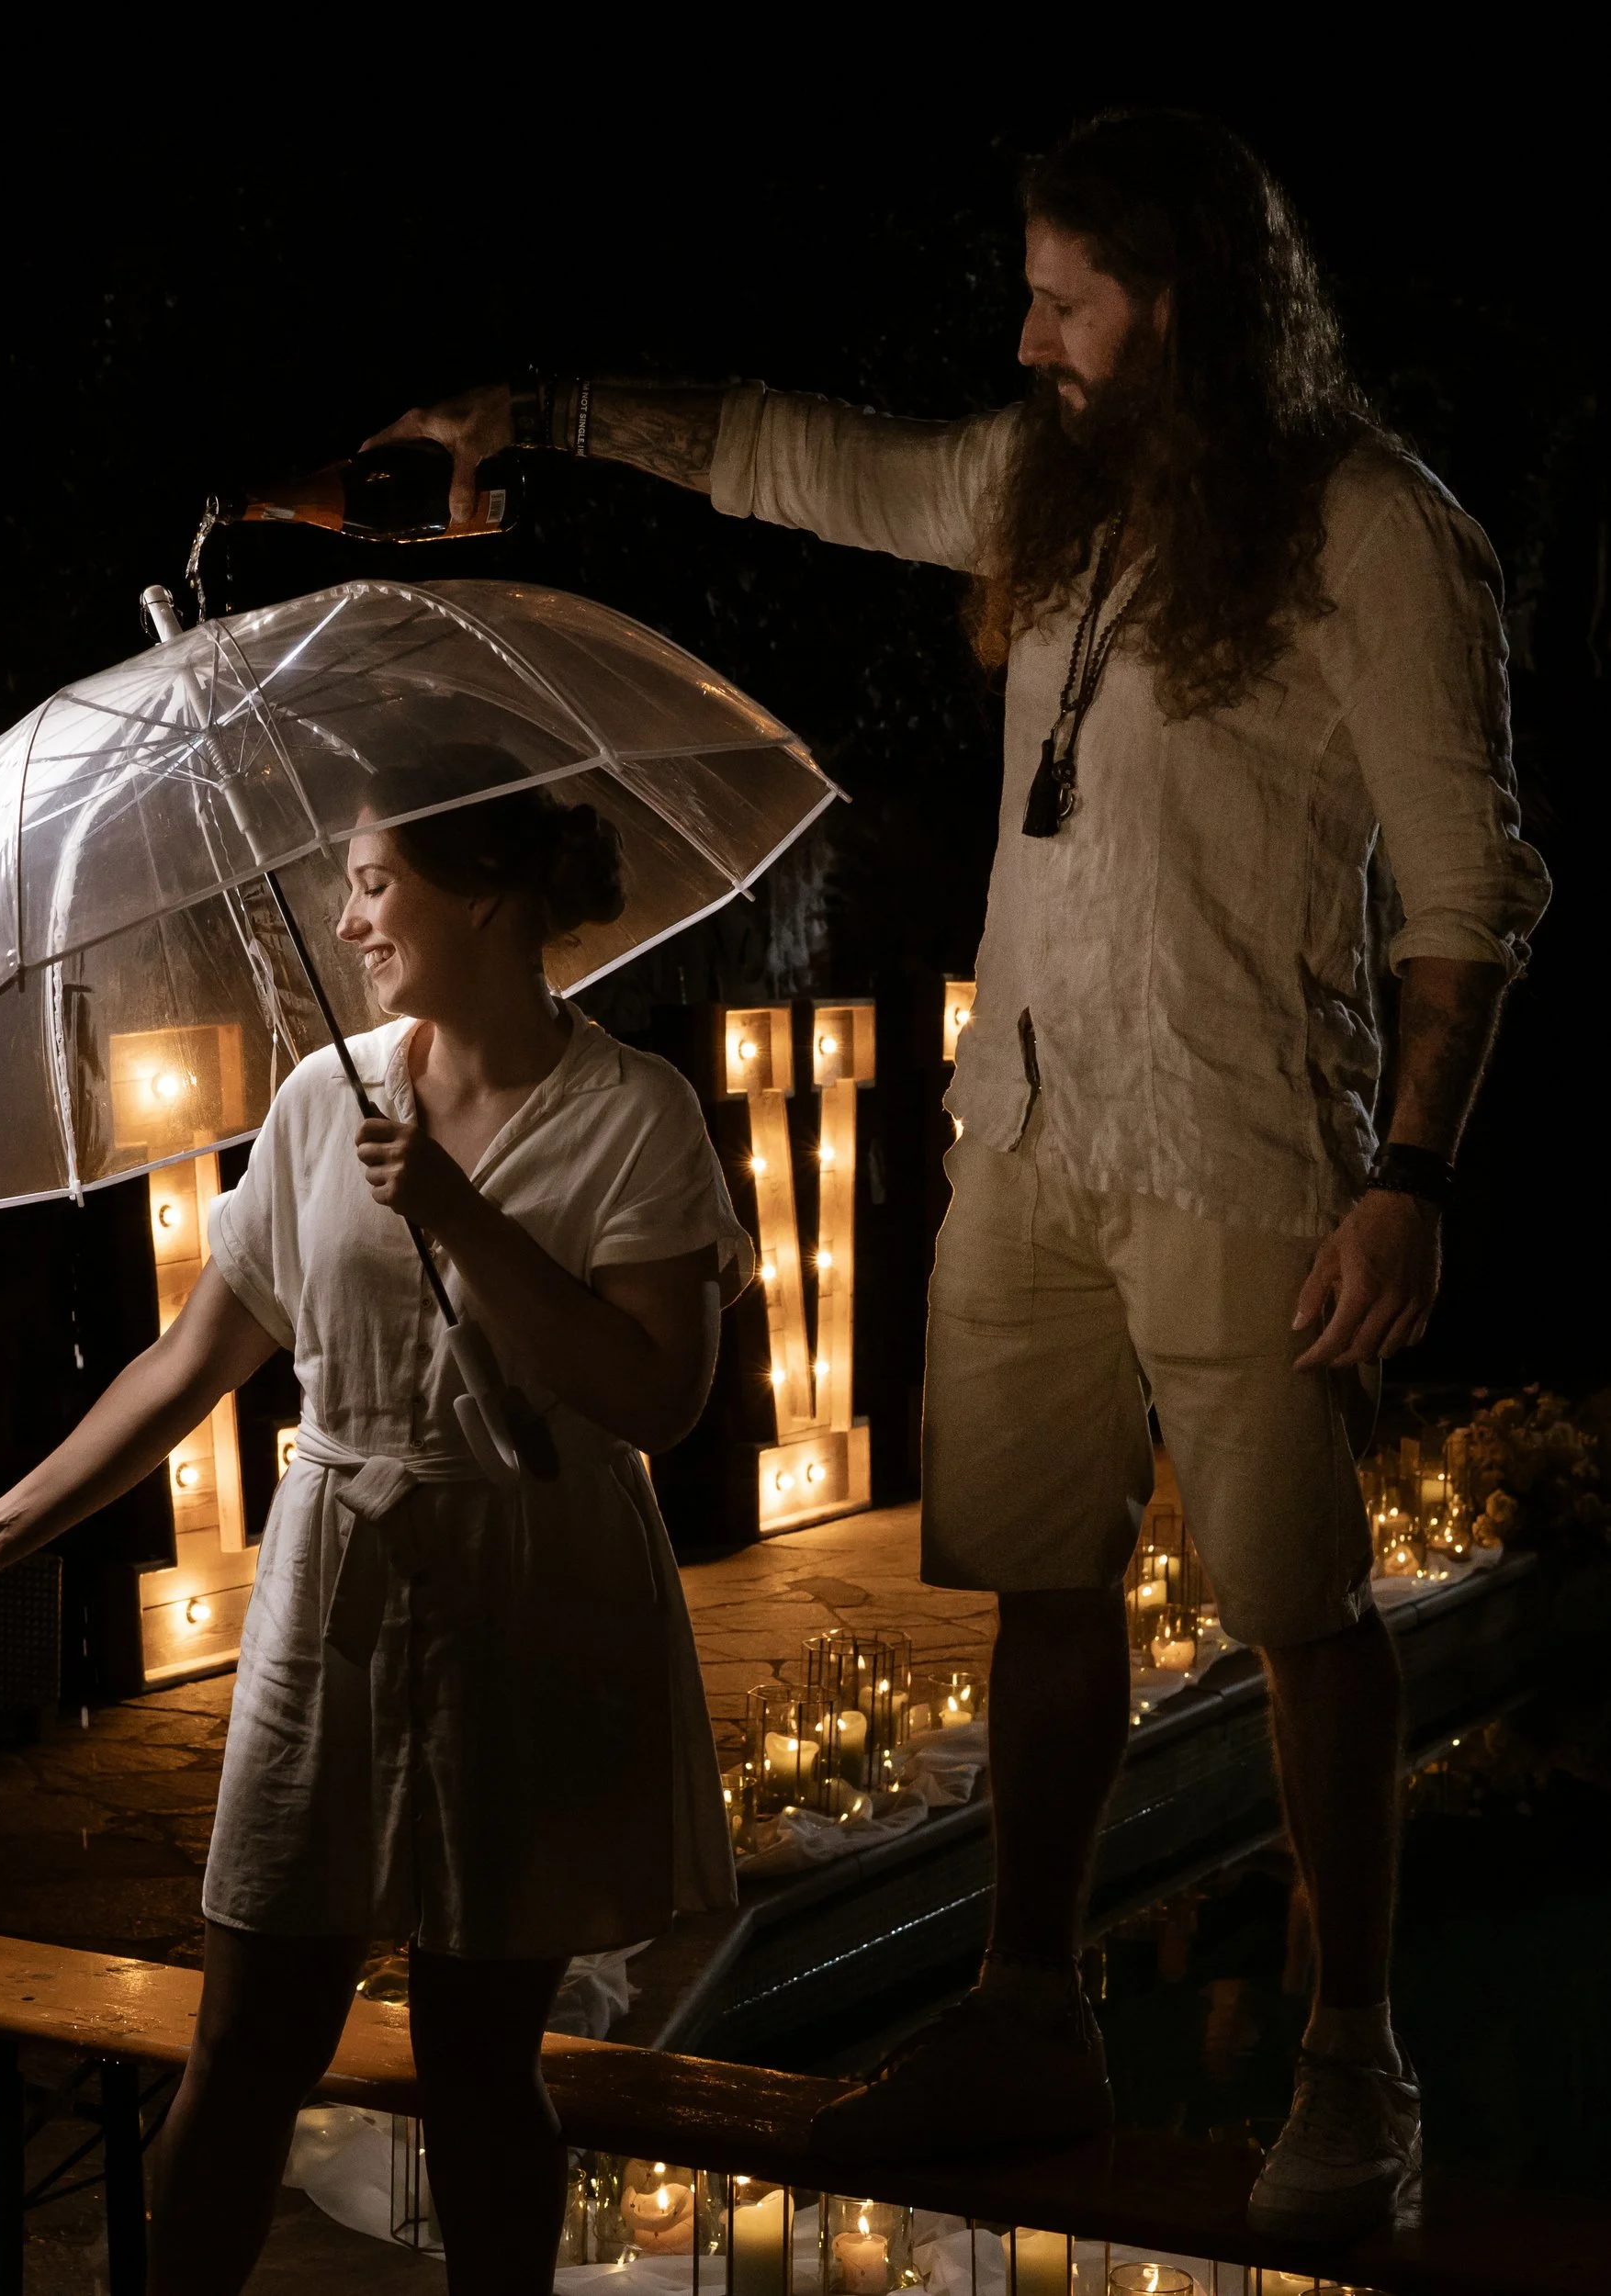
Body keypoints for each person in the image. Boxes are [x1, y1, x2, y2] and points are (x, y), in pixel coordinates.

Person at [370, 109, 1549, 2242]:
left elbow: (1466, 888)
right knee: (1034, 1576)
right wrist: (539, 415)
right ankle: (1025, 2007)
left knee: (1296, 1607)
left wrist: (1407, 1178)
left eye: (1063, 296)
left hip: (1245, 1137)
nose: (1025, 336)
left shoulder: (1375, 529)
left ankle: (1350, 2054)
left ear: (1178, 298)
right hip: (1018, 1131)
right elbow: (789, 455)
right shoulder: (1051, 494)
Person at [0, 778, 749, 2296]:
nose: (346, 921)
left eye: (375, 884)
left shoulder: (630, 1114)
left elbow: (658, 1397)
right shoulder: (327, 1101)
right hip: (335, 1584)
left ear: (484, 892)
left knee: (477, 2063)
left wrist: (463, 1218)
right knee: (246, 2045)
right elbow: (188, 1362)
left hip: (532, 1591)